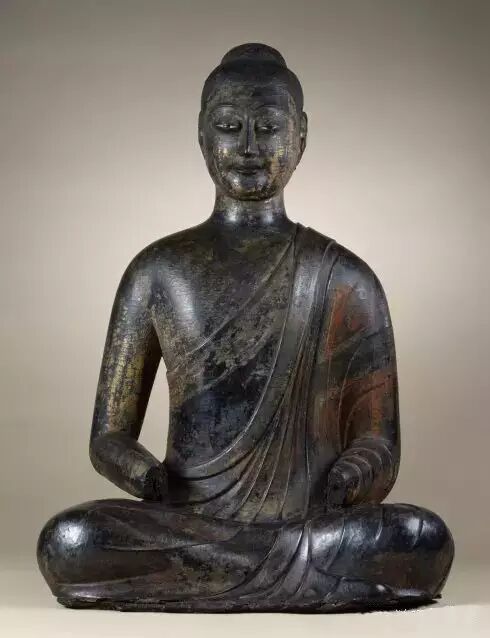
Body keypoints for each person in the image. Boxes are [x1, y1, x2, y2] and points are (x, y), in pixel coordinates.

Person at [37, 43, 454, 612]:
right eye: (230, 126)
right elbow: (109, 436)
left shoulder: (345, 279)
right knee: (70, 540)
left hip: (309, 525)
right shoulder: (157, 271)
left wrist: (355, 474)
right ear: (202, 135)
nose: (250, 147)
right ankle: (277, 573)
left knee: (421, 537)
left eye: (269, 127)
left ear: (301, 136)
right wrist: (141, 474)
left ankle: (224, 569)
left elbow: (379, 440)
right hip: (189, 523)